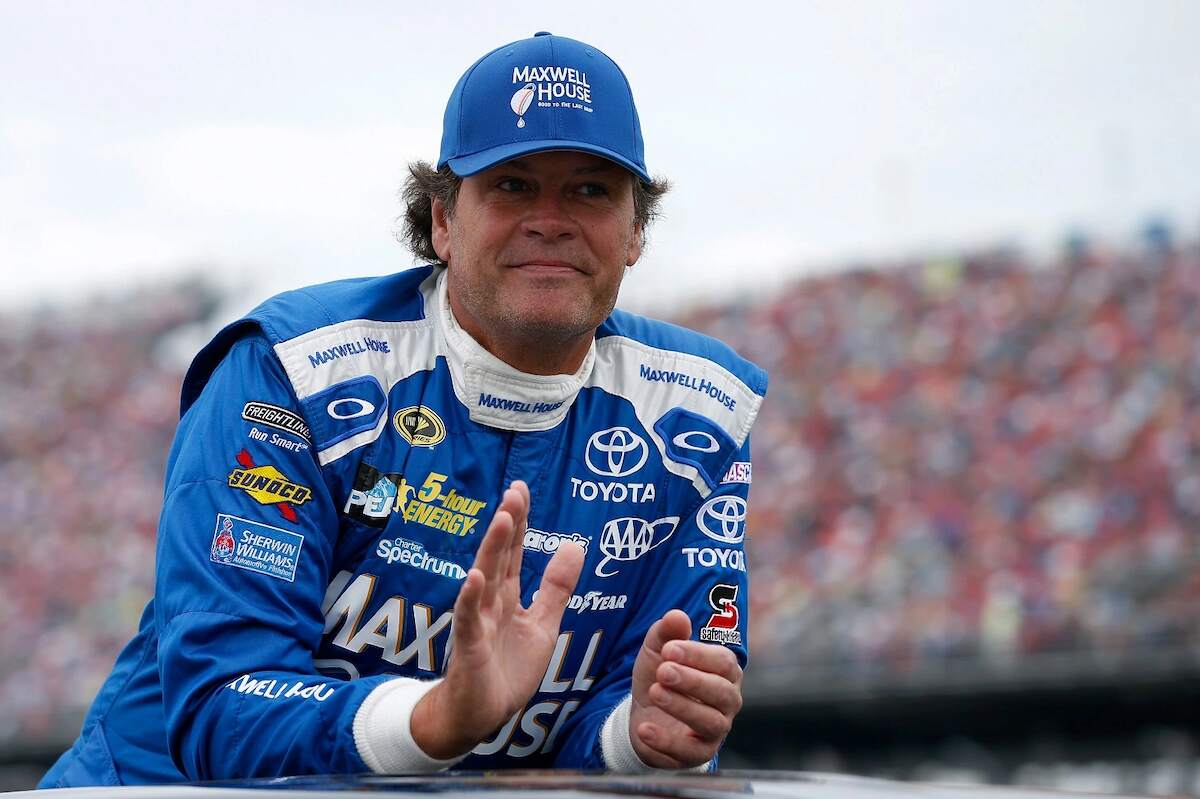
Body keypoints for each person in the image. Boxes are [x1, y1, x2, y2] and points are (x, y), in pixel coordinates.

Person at [40, 32, 767, 787]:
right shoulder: (291, 370)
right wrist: (437, 718)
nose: (550, 218)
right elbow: (224, 703)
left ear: (636, 231)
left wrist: (641, 736)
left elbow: (630, 720)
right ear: (442, 222)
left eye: (590, 190)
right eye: (513, 185)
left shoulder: (705, 412)